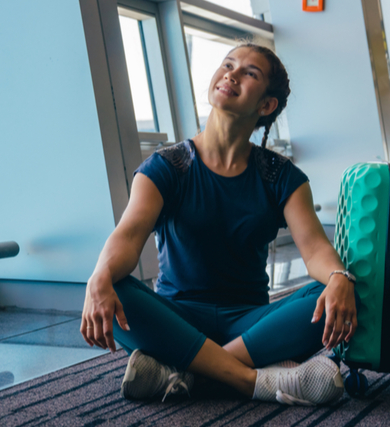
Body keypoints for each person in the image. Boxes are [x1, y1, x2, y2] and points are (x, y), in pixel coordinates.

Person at [80, 43, 358, 406]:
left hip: (250, 322)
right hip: (176, 316)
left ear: (266, 105)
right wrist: (100, 275)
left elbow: (316, 249)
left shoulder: (282, 176)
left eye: (249, 73)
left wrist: (339, 278)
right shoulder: (167, 166)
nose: (231, 74)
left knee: (329, 300)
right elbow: (128, 237)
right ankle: (249, 380)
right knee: (115, 291)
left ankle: (183, 371)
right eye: (228, 65)